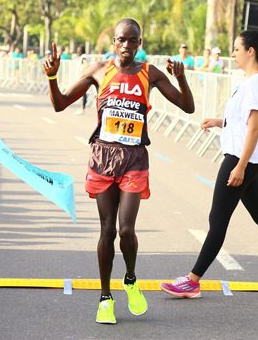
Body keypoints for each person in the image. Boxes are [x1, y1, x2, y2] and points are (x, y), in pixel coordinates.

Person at [42, 18, 194, 324]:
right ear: (114, 42)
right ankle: (105, 298)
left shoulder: (149, 74)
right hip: (103, 157)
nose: (126, 46)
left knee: (126, 229)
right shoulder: (99, 70)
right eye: (121, 40)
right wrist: (53, 76)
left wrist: (181, 78)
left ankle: (130, 279)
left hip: (134, 159)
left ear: (140, 44)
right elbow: (60, 104)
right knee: (107, 230)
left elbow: (187, 107)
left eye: (133, 41)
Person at [160, 30, 258, 299]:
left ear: (250, 51)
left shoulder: (254, 84)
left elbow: (254, 129)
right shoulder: (251, 82)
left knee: (217, 220)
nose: (232, 54)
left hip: (242, 158)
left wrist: (240, 166)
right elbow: (246, 122)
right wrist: (220, 122)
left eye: (236, 49)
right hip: (250, 158)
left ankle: (192, 281)